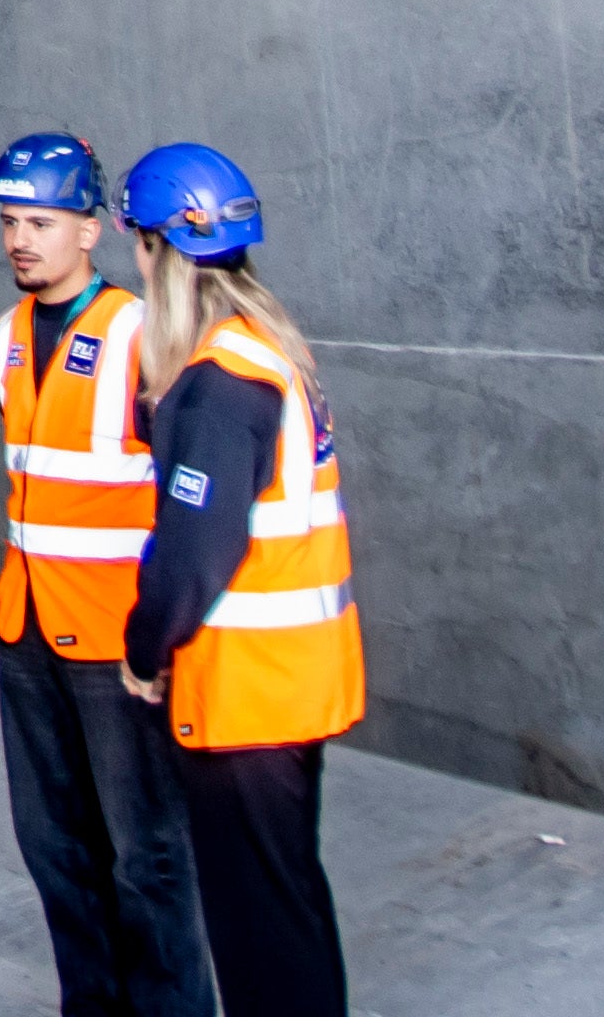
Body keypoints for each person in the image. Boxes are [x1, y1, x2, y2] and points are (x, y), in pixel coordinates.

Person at [114, 145, 356, 1017]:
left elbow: (191, 555)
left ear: (154, 250)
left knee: (260, 935)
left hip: (249, 698)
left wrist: (144, 649)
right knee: (288, 904)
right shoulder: (269, 351)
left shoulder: (220, 382)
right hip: (293, 686)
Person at [0, 136, 200, 1017]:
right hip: (26, 634)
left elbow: (184, 497)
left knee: (145, 858)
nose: (20, 240)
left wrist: (165, 634)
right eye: (9, 222)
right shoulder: (1, 340)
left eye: (40, 221)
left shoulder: (143, 334)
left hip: (116, 645)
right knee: (56, 850)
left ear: (93, 229)